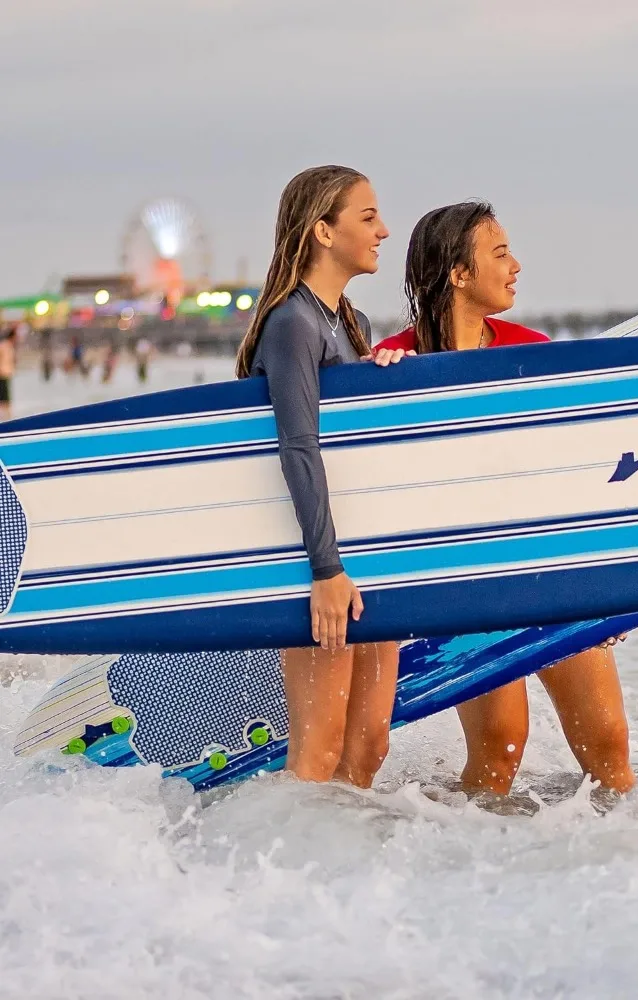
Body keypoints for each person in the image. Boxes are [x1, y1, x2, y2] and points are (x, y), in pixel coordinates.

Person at [374, 201, 636, 796]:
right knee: (500, 746)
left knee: (609, 744)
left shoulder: (532, 352)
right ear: (459, 275)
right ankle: (476, 869)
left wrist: (608, 582)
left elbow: (576, 474)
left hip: (549, 572)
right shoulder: (395, 363)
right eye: (499, 253)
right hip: (470, 579)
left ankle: (633, 869)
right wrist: (382, 387)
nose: (515, 266)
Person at [234, 165, 403, 785]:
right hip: (321, 561)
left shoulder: (343, 321)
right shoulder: (293, 324)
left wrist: (379, 374)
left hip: (364, 551)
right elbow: (298, 447)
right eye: (367, 217)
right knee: (320, 751)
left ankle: (345, 876)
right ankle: (275, 873)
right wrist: (325, 571)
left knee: (369, 745)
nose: (383, 230)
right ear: (322, 232)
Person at [0, 324, 15, 419]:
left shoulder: (9, 346)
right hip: (2, 374)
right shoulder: (3, 346)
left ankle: (7, 415)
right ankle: (6, 416)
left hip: (6, 373)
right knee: (4, 396)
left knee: (5, 396)